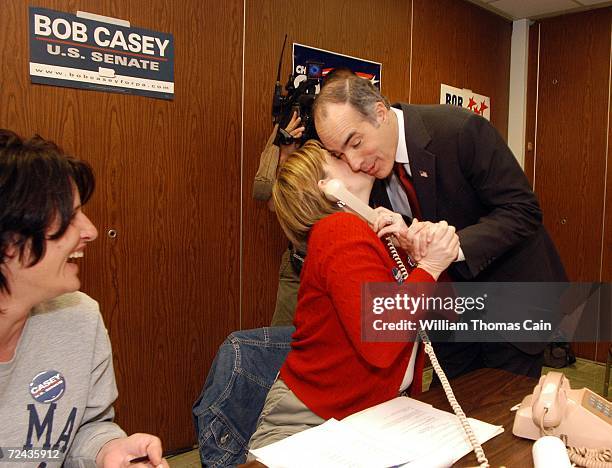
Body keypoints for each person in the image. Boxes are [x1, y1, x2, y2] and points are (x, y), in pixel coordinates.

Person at [312, 73, 567, 379]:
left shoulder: (459, 130)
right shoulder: (369, 172)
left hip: (510, 300)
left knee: (503, 414)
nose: (353, 162)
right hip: (449, 313)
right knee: (450, 413)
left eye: (355, 143)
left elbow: (523, 211)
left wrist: (451, 246)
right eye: (340, 154)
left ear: (380, 112)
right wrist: (407, 232)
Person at [247, 140, 459, 452]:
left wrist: (417, 260)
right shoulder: (338, 230)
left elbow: (447, 316)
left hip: (365, 418)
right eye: (336, 156)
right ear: (327, 187)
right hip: (311, 423)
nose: (353, 157)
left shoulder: (369, 236)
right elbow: (382, 342)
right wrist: (428, 266)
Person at [0, 129, 168, 468]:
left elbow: (83, 427)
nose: (90, 230)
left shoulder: (79, 316)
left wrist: (108, 451)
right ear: (8, 239)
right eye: (70, 216)